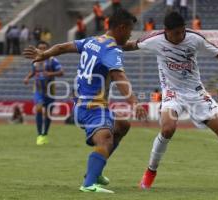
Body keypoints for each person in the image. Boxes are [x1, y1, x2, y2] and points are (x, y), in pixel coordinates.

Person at [123, 11, 218, 191]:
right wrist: (110, 44)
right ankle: (150, 173)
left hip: (196, 93)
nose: (181, 36)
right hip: (172, 93)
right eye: (176, 33)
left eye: (182, 31)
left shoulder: (194, 38)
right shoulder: (154, 40)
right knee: (168, 128)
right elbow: (131, 45)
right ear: (166, 31)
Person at [23, 9, 147, 193]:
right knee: (105, 139)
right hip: (92, 106)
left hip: (83, 104)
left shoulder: (93, 41)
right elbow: (119, 76)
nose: (130, 34)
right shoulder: (111, 50)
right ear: (121, 28)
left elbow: (62, 47)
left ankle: (95, 173)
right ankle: (89, 184)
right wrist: (135, 103)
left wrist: (44, 54)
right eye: (130, 30)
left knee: (122, 125)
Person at [23, 41, 64, 145]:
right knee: (39, 108)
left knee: (49, 114)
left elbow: (61, 72)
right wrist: (27, 77)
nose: (42, 50)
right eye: (40, 48)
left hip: (50, 91)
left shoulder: (52, 60)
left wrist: (50, 73)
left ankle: (44, 134)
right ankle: (39, 135)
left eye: (44, 48)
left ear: (48, 49)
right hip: (38, 90)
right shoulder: (35, 61)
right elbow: (33, 72)